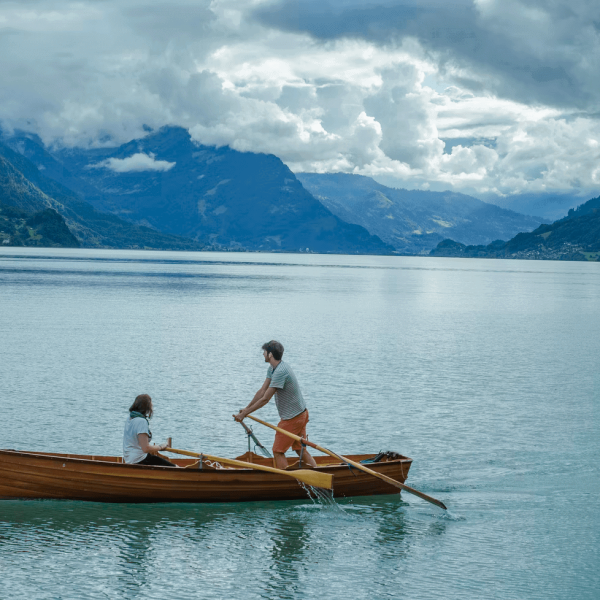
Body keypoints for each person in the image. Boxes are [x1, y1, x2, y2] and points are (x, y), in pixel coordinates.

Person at [234, 341, 318, 470]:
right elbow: (261, 392)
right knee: (299, 449)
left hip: (293, 419)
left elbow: (265, 399)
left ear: (270, 354)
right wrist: (246, 409)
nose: (263, 354)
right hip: (301, 414)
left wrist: (245, 414)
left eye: (265, 352)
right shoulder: (273, 369)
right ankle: (318, 473)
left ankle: (288, 482)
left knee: (278, 451)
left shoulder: (280, 372)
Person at [123, 394, 175, 467]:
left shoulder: (130, 418)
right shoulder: (141, 422)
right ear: (146, 407)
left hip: (129, 459)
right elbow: (145, 448)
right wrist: (161, 446)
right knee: (174, 467)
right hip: (139, 460)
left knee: (159, 460)